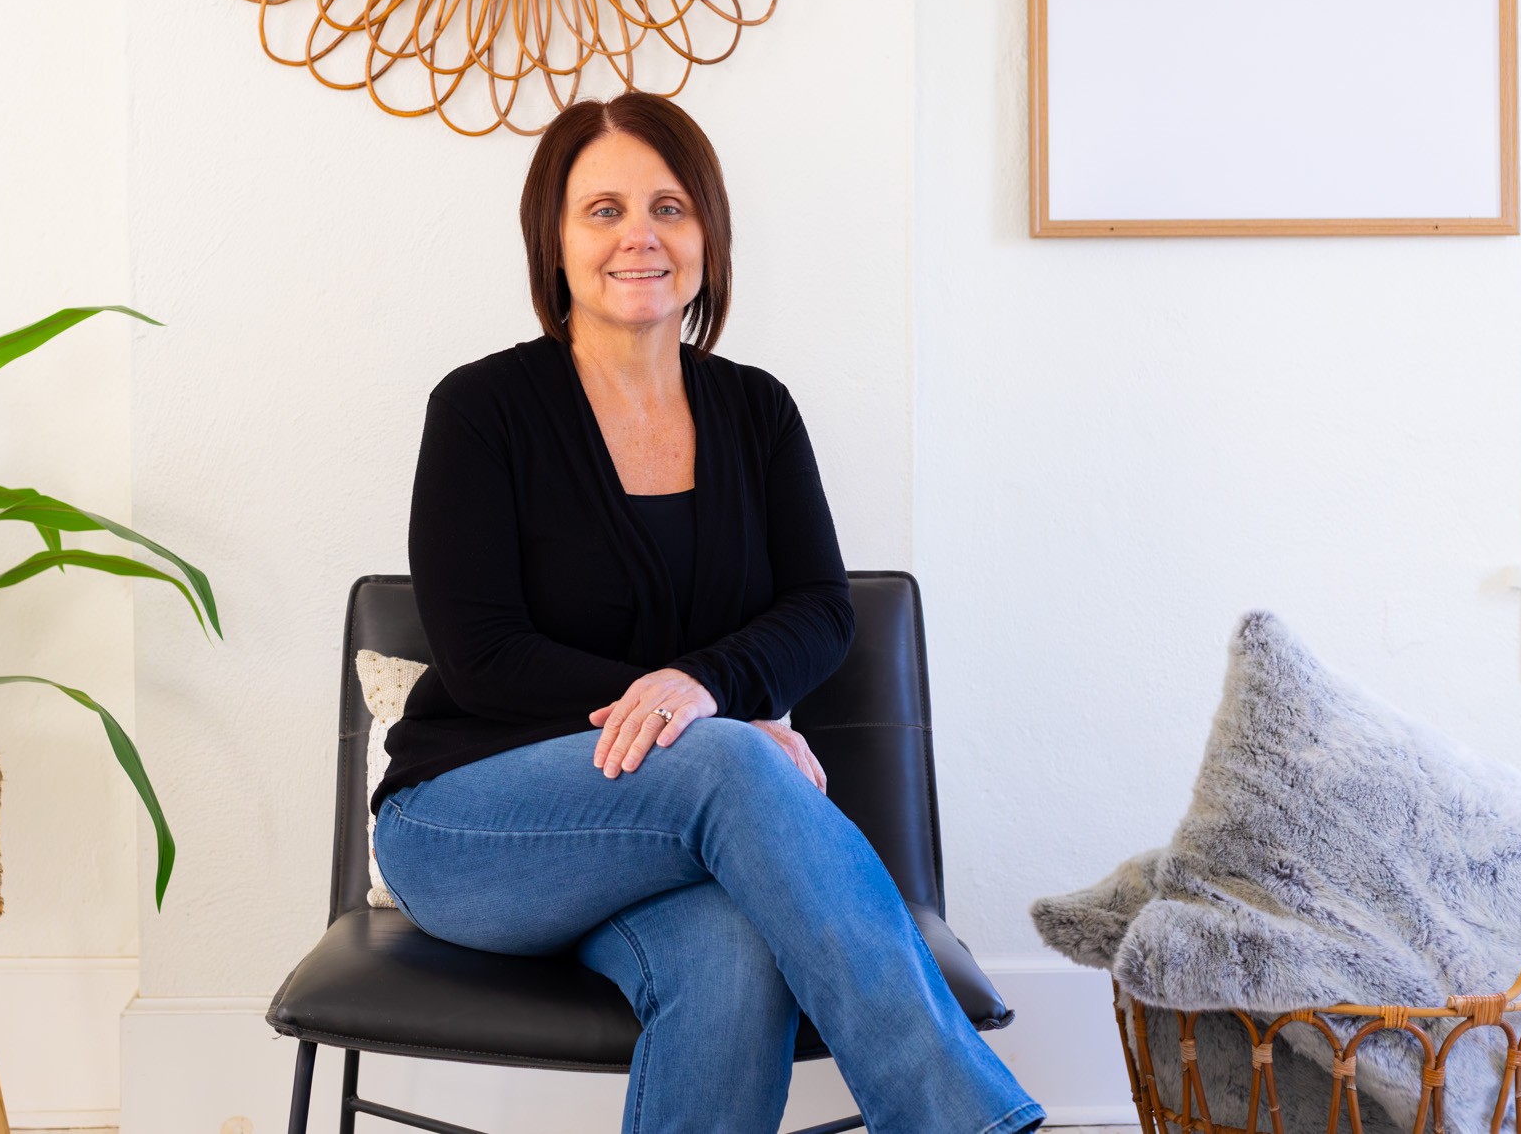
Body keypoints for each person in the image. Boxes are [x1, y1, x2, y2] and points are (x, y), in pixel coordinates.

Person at [372, 92, 1044, 1134]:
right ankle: (957, 1121)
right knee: (726, 761)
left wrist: (705, 687)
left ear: (707, 236)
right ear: (551, 240)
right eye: (601, 210)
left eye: (669, 207)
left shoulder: (755, 411)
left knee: (734, 959)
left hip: (652, 843)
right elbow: (481, 654)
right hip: (469, 827)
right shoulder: (480, 410)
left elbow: (820, 608)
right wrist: (708, 721)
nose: (639, 234)